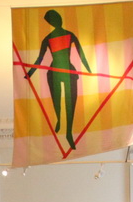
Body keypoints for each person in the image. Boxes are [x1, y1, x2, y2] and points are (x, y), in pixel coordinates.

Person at [24, 9, 92, 150]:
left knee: (70, 102)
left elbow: (81, 54)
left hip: (68, 71)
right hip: (55, 71)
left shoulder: (69, 35)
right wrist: (30, 73)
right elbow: (40, 58)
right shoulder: (48, 38)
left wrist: (90, 71)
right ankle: (59, 120)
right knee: (57, 100)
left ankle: (68, 132)